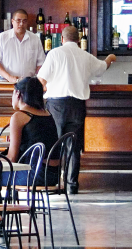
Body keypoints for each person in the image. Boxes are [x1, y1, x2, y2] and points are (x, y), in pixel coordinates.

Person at [38, 25, 116, 193]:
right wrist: (110, 58)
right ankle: (71, 186)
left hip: (56, 105)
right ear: (79, 40)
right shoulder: (85, 56)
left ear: (62, 39)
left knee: (55, 144)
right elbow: (102, 68)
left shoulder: (54, 54)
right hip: (77, 106)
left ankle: (53, 183)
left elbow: (41, 80)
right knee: (73, 146)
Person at [0, 76, 59, 202]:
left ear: (18, 93)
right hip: (53, 174)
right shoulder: (47, 114)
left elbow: (12, 158)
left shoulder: (20, 116)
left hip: (35, 175)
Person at [0, 9, 46, 83]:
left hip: (28, 83)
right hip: (6, 81)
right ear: (12, 21)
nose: (21, 24)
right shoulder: (2, 38)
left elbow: (41, 63)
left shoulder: (35, 39)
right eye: (18, 20)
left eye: (24, 21)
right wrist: (9, 77)